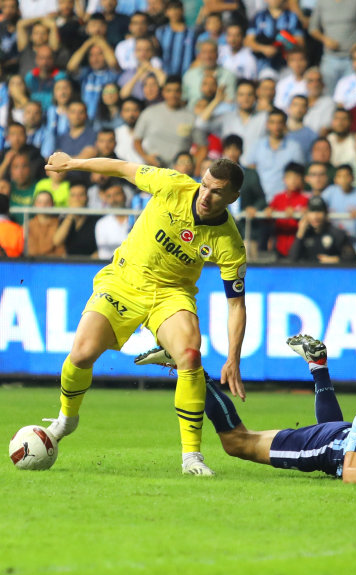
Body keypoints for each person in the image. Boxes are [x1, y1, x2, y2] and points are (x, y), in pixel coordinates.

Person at [42, 152, 248, 476]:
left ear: (233, 197)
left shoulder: (229, 242)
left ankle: (191, 457)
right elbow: (122, 168)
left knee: (190, 356)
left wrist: (233, 358)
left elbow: (236, 304)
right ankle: (67, 419)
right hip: (124, 280)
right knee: (81, 354)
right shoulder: (172, 185)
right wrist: (72, 164)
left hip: (170, 295)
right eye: (205, 185)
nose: (205, 195)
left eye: (217, 192)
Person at [137, 334, 356, 486]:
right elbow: (351, 473)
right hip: (325, 450)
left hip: (343, 435)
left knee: (341, 428)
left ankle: (318, 365)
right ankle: (192, 371)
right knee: (237, 442)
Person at [288, 196, 356, 263]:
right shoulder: (304, 234)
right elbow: (292, 258)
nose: (315, 216)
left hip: (331, 272)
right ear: (307, 214)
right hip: (308, 273)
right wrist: (300, 232)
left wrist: (335, 260)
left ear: (326, 214)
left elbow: (352, 257)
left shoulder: (337, 233)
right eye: (312, 211)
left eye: (319, 211)